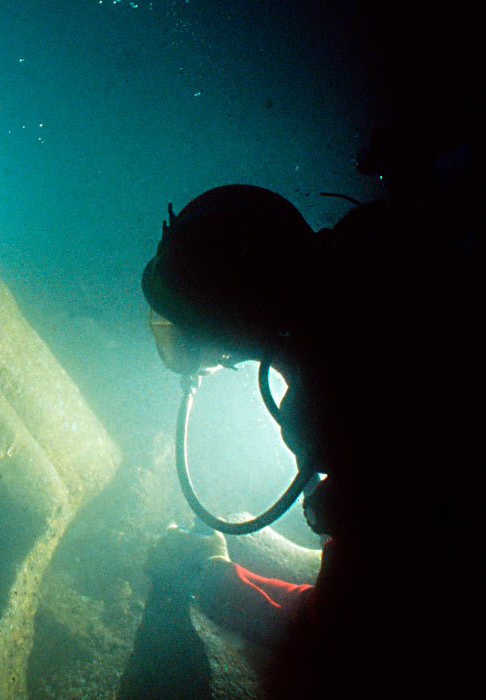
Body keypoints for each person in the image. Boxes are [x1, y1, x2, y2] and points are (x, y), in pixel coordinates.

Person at [138, 132, 479, 698]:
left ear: (234, 320)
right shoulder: (371, 269)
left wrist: (214, 580)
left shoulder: (357, 402)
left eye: (199, 330)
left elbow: (346, 633)